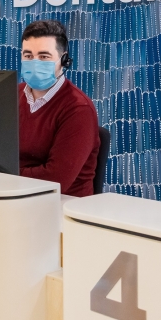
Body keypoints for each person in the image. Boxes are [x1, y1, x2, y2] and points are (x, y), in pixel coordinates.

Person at [18, 19, 100, 196]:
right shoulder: (9, 95)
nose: (34, 62)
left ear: (64, 60)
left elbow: (55, 178)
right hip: (15, 197)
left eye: (44, 57)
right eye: (28, 56)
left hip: (63, 207)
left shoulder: (79, 109)